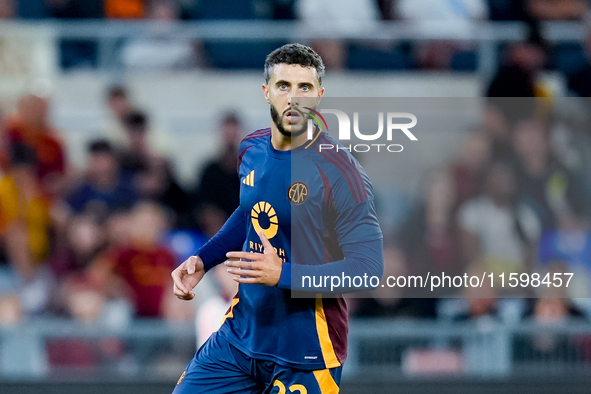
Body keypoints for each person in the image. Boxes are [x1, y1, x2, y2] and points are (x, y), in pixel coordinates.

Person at [171, 43, 383, 393]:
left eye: (305, 87)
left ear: (319, 95)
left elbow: (367, 269)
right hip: (240, 338)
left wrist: (281, 274)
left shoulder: (341, 175)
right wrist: (202, 260)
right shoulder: (251, 150)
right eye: (284, 86)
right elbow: (251, 213)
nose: (294, 98)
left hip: (306, 352)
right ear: (266, 91)